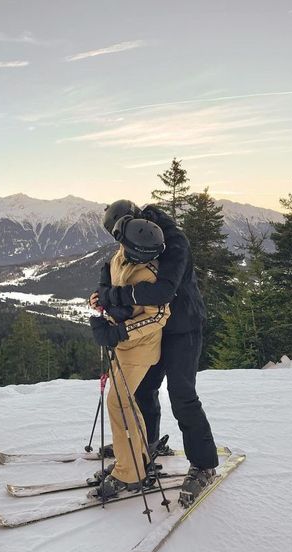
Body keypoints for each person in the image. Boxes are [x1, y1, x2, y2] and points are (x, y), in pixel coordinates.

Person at [90, 200, 218, 505]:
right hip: (154, 332)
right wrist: (105, 296)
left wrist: (112, 296)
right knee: (145, 390)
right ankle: (141, 449)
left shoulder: (173, 242)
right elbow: (116, 272)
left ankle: (203, 464)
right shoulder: (139, 239)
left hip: (183, 328)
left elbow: (162, 291)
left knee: (182, 394)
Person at [89, 215, 170, 499]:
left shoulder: (148, 273)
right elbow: (110, 288)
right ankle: (135, 459)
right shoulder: (120, 258)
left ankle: (130, 473)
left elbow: (159, 315)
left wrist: (121, 331)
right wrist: (99, 300)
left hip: (139, 349)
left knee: (119, 404)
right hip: (121, 346)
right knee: (127, 405)